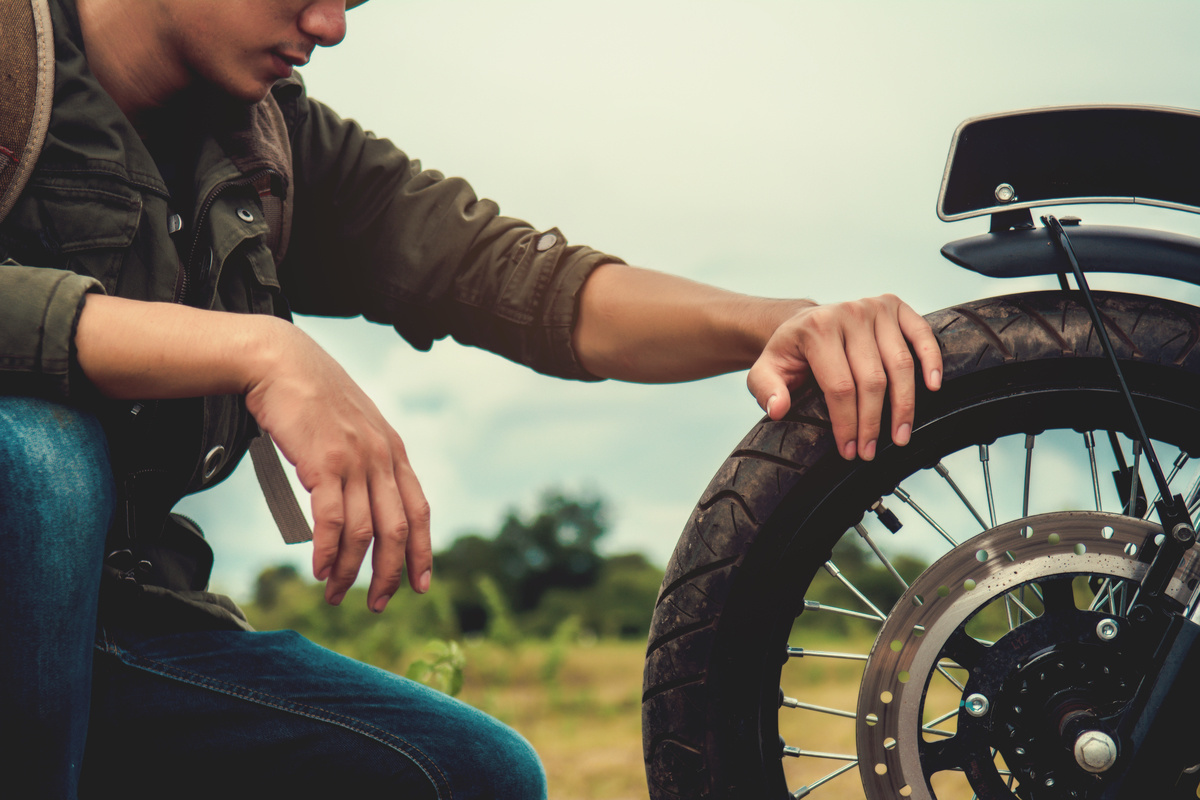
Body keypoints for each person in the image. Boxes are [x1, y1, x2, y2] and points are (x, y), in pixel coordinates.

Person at [0, 0, 943, 797]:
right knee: (37, 454)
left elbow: (518, 280)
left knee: (469, 774)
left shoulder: (267, 144)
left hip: (115, 633)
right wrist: (258, 348)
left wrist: (778, 322)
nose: (329, 24)